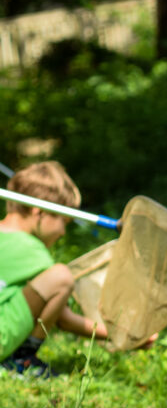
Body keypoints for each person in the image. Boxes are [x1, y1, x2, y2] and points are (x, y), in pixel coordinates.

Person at [0, 161, 110, 376]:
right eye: (64, 222)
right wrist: (119, 335)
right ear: (39, 212)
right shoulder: (30, 250)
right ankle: (22, 361)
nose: (62, 232)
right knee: (60, 278)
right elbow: (63, 319)